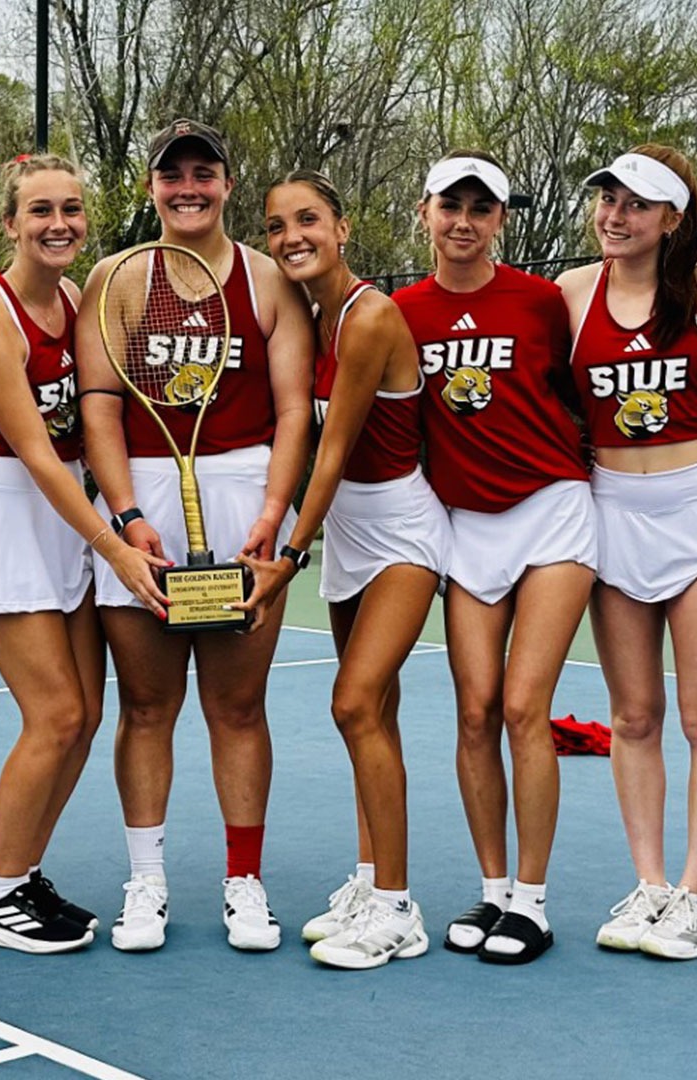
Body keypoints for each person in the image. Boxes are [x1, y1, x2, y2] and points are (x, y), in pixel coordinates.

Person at [0, 153, 168, 954]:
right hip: (6, 516)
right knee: (55, 713)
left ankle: (23, 877)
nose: (59, 223)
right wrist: (116, 545)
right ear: (10, 223)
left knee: (86, 716)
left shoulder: (73, 297)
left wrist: (129, 515)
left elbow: (88, 435)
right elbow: (33, 451)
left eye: (71, 208)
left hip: (65, 510)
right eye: (40, 211)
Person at [74, 119, 312, 952]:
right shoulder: (117, 280)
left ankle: (244, 882)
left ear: (226, 184)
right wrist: (127, 514)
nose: (188, 187)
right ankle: (147, 882)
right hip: (143, 497)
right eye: (172, 174)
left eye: (203, 172)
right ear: (151, 188)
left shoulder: (268, 281)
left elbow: (292, 410)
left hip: (245, 493)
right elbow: (99, 405)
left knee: (238, 706)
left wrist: (272, 514)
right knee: (146, 705)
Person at [392, 151, 597, 965]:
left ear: (501, 220)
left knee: (521, 707)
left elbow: (587, 391)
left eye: (482, 208)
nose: (464, 221)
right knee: (473, 710)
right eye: (451, 206)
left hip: (552, 512)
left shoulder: (544, 303)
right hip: (464, 526)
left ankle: (535, 904)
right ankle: (492, 891)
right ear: (426, 212)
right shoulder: (401, 312)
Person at [241, 169, 448, 969]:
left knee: (354, 704)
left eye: (309, 220)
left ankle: (398, 908)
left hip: (399, 531)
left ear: (343, 227)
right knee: (377, 715)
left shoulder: (368, 317)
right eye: (277, 226)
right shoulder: (312, 315)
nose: (293, 236)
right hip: (350, 538)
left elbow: (330, 456)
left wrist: (287, 555)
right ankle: (369, 879)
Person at [557, 147, 697, 961]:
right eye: (608, 199)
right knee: (633, 716)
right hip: (611, 513)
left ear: (673, 219)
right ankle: (652, 884)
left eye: (638, 204)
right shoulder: (569, 294)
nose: (616, 215)